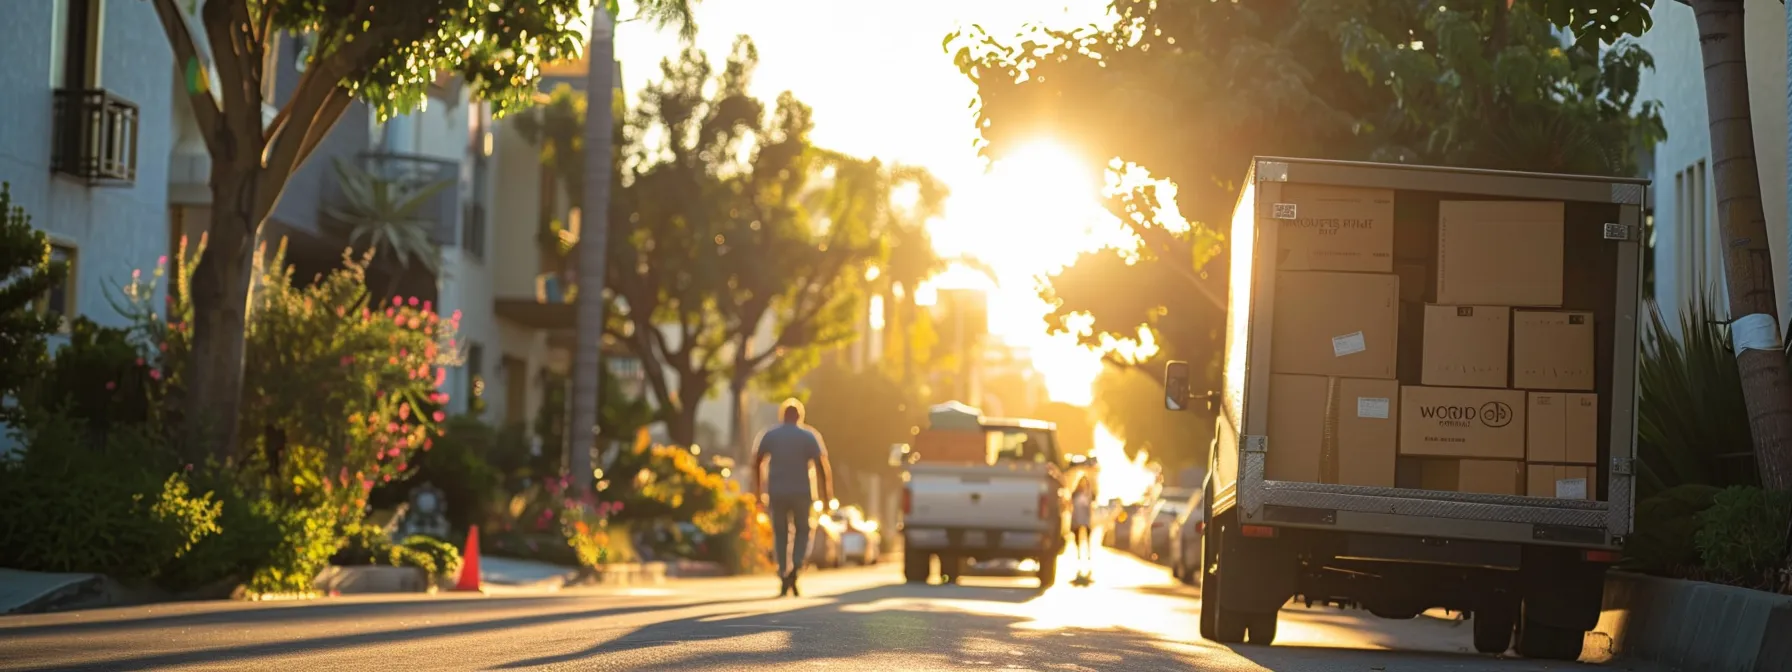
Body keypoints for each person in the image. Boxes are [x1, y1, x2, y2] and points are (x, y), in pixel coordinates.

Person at [753, 398, 835, 598]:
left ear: (782, 415)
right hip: (802, 492)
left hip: (777, 492)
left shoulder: (770, 435)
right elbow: (822, 467)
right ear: (800, 416)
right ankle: (796, 567)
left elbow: (756, 462)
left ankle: (783, 573)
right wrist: (827, 497)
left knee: (780, 534)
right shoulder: (809, 436)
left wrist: (758, 492)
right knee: (803, 532)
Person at [1070, 477, 1094, 574]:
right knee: (1077, 541)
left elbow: (1090, 508)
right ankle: (1078, 558)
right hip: (1076, 520)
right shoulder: (1075, 494)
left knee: (1087, 540)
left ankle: (1088, 559)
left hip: (1086, 520)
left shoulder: (1089, 495)